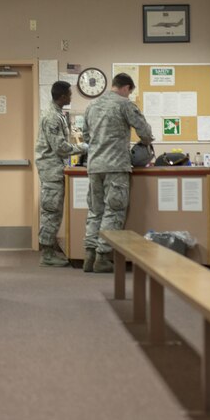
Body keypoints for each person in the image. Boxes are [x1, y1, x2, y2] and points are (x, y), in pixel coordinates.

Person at [82, 72, 153, 273]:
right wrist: (145, 143)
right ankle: (102, 257)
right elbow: (145, 132)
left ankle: (89, 254)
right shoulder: (124, 104)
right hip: (115, 166)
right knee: (114, 211)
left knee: (95, 211)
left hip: (94, 166)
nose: (129, 95)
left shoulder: (92, 106)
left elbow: (86, 136)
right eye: (129, 92)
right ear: (126, 88)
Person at [35, 80, 88, 267]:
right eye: (70, 94)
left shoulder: (57, 114)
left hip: (54, 168)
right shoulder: (51, 117)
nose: (71, 97)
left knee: (54, 210)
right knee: (51, 211)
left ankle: (50, 246)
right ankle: (47, 254)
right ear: (63, 95)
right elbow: (59, 147)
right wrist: (82, 147)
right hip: (51, 170)